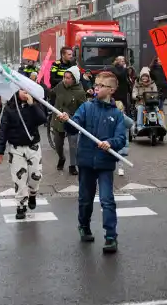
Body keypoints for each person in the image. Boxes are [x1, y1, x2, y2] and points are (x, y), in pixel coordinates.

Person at [58, 70, 128, 254]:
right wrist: (67, 121)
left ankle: (111, 236)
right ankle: (84, 225)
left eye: (101, 85)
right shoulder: (87, 108)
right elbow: (74, 128)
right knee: (85, 199)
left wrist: (110, 143)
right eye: (95, 84)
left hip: (105, 163)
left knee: (107, 199)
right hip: (87, 161)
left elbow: (121, 138)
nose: (96, 87)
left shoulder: (117, 114)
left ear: (111, 90)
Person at [0, 89, 50, 221]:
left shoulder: (35, 105)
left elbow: (43, 119)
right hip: (16, 147)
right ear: (17, 91)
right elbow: (3, 129)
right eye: (22, 90)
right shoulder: (10, 108)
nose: (25, 93)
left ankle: (33, 193)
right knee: (19, 178)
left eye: (27, 90)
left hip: (33, 146)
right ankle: (20, 205)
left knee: (35, 175)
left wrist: (33, 105)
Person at [51, 66, 88, 175]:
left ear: (74, 79)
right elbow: (51, 93)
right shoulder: (60, 86)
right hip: (58, 120)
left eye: (68, 78)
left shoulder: (80, 92)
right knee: (58, 143)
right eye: (64, 77)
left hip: (72, 121)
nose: (65, 80)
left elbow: (83, 108)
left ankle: (73, 165)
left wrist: (77, 118)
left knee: (73, 145)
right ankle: (61, 158)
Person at [114, 101, 135, 177]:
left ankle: (119, 169)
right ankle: (120, 169)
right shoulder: (124, 117)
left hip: (116, 140)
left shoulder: (114, 116)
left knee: (116, 155)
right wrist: (132, 133)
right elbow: (131, 124)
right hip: (121, 140)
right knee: (120, 156)